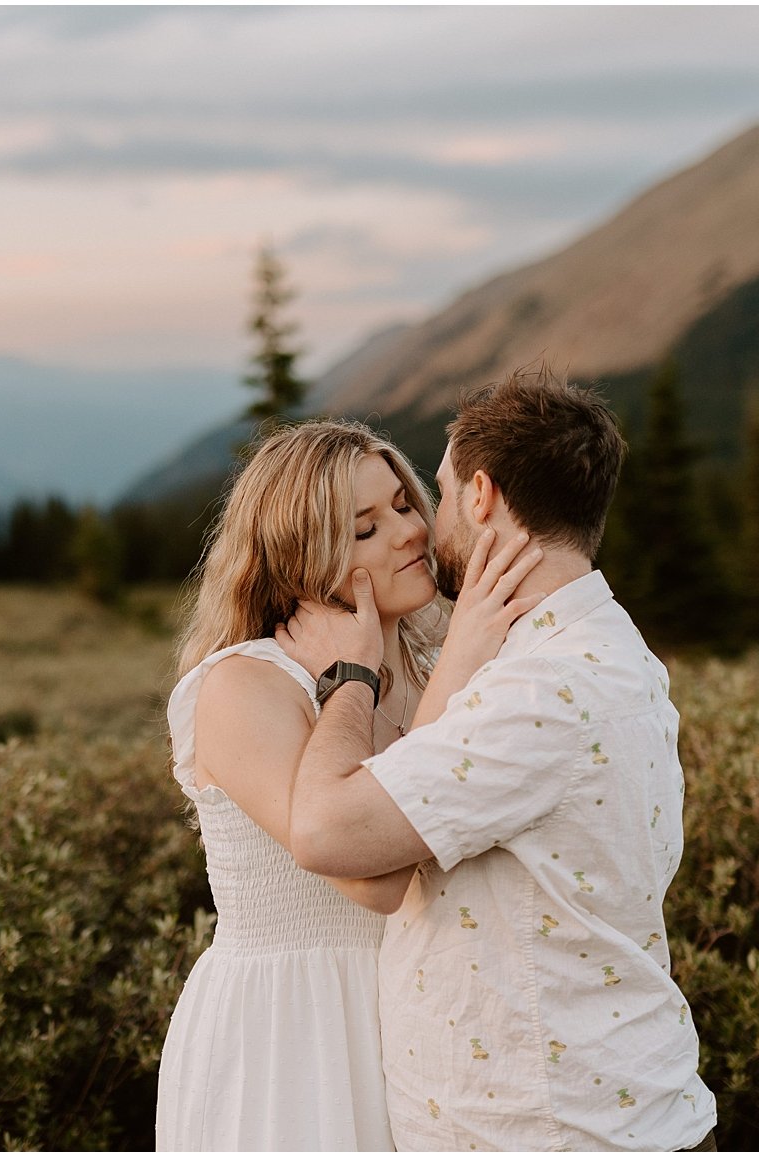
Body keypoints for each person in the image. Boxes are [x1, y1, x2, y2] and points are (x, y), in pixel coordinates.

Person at [276, 369, 718, 1151]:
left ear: (481, 497)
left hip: (553, 1131)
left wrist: (350, 675)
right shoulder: (604, 649)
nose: (427, 525)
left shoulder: (539, 690)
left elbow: (325, 830)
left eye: (437, 496)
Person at [158, 418, 490, 1150]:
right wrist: (356, 681)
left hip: (421, 1011)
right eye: (365, 529)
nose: (409, 533)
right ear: (302, 563)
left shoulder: (435, 664)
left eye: (404, 504)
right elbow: (372, 878)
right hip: (290, 1033)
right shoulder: (243, 685)